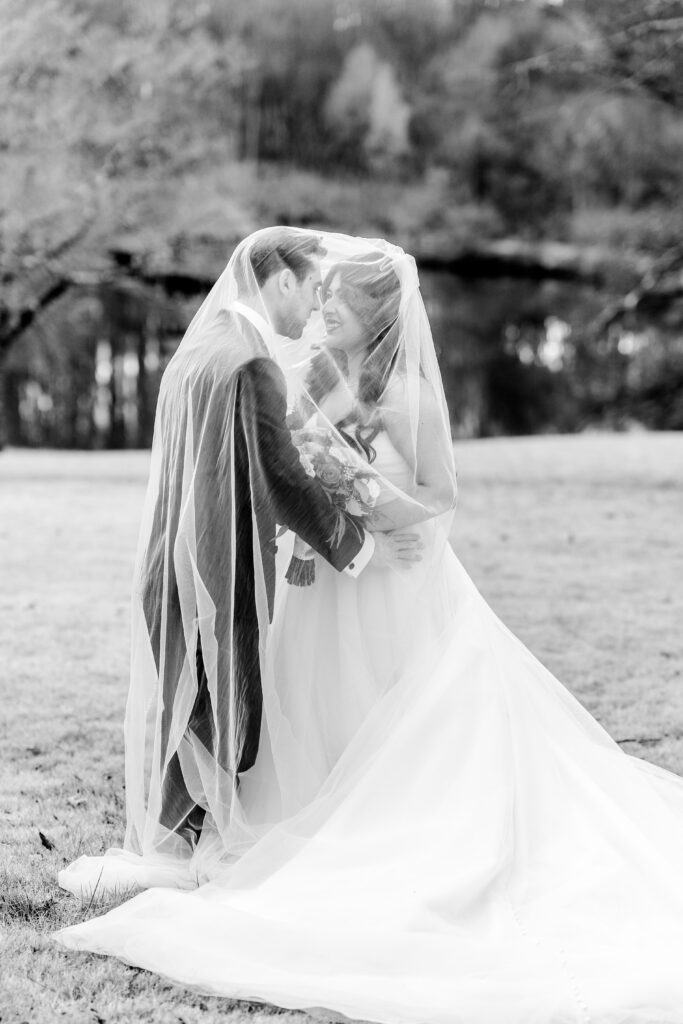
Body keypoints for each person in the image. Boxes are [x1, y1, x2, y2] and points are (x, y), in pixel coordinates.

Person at [57, 232, 683, 1024]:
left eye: (337, 301)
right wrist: (335, 495)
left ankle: (382, 828)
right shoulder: (312, 374)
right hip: (324, 583)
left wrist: (370, 509)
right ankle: (301, 820)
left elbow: (434, 498)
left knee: (394, 714)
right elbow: (292, 460)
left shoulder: (408, 397)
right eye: (318, 295)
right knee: (310, 702)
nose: (322, 309)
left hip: (391, 586)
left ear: (373, 315)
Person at [58, 227, 422, 894]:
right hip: (218, 567)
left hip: (171, 563)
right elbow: (278, 478)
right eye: (311, 291)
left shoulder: (199, 350)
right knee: (225, 712)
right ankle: (175, 859)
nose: (313, 310)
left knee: (193, 703)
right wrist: (363, 546)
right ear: (280, 280)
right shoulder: (250, 362)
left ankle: (173, 848)